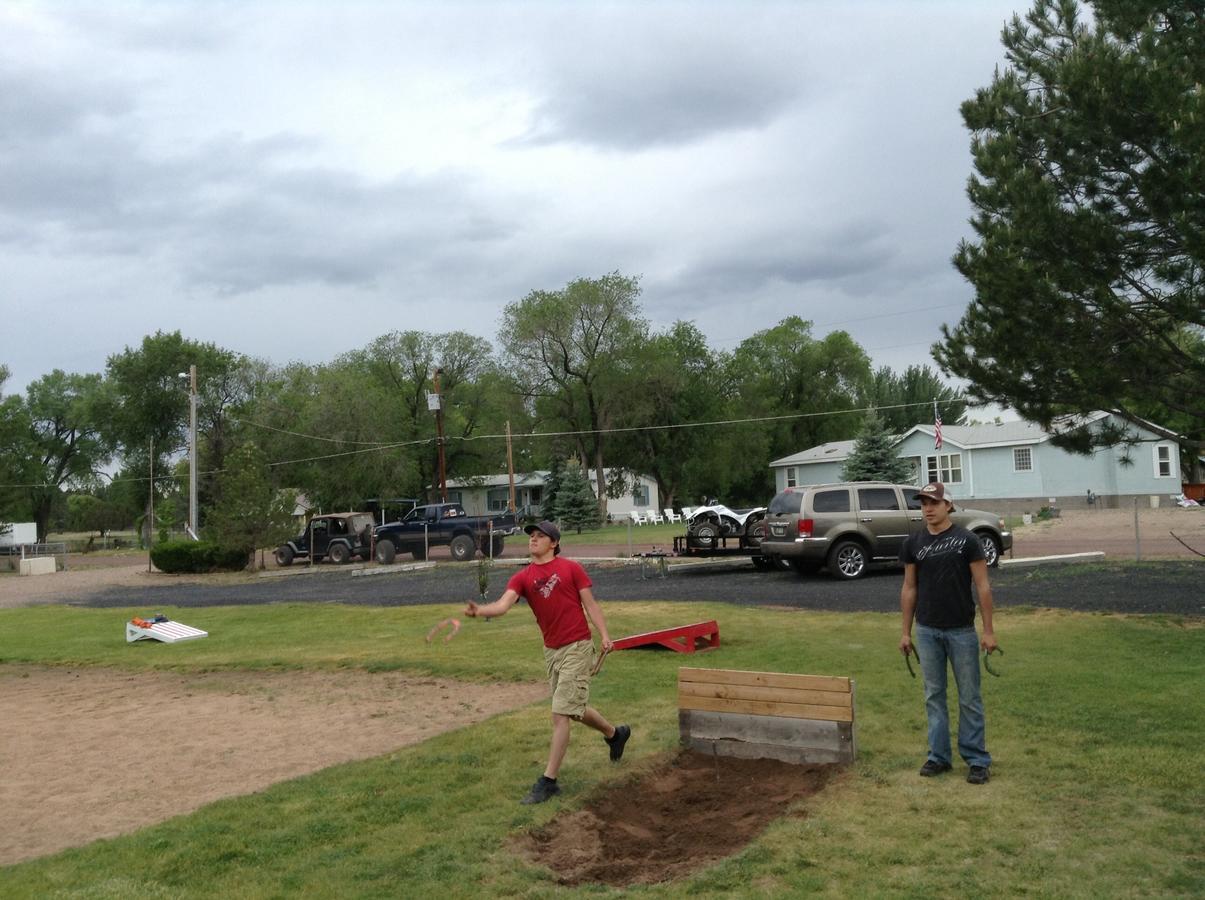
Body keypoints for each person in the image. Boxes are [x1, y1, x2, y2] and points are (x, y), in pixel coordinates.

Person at [464, 520, 631, 804]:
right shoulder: (523, 577)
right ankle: (615, 734)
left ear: (553, 543)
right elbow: (503, 606)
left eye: (540, 536)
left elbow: (590, 605)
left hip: (578, 646)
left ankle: (549, 781)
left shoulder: (571, 569)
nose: (533, 539)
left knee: (560, 713)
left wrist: (604, 635)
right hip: (552, 651)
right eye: (531, 536)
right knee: (573, 709)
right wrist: (480, 610)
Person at [899, 482, 999, 785]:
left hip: (961, 631)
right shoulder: (913, 543)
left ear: (948, 506)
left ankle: (977, 760)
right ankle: (938, 757)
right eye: (923, 503)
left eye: (934, 503)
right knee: (934, 695)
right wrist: (906, 632)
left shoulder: (967, 540)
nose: (928, 508)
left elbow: (982, 586)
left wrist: (989, 631)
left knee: (969, 697)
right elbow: (909, 587)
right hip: (927, 631)